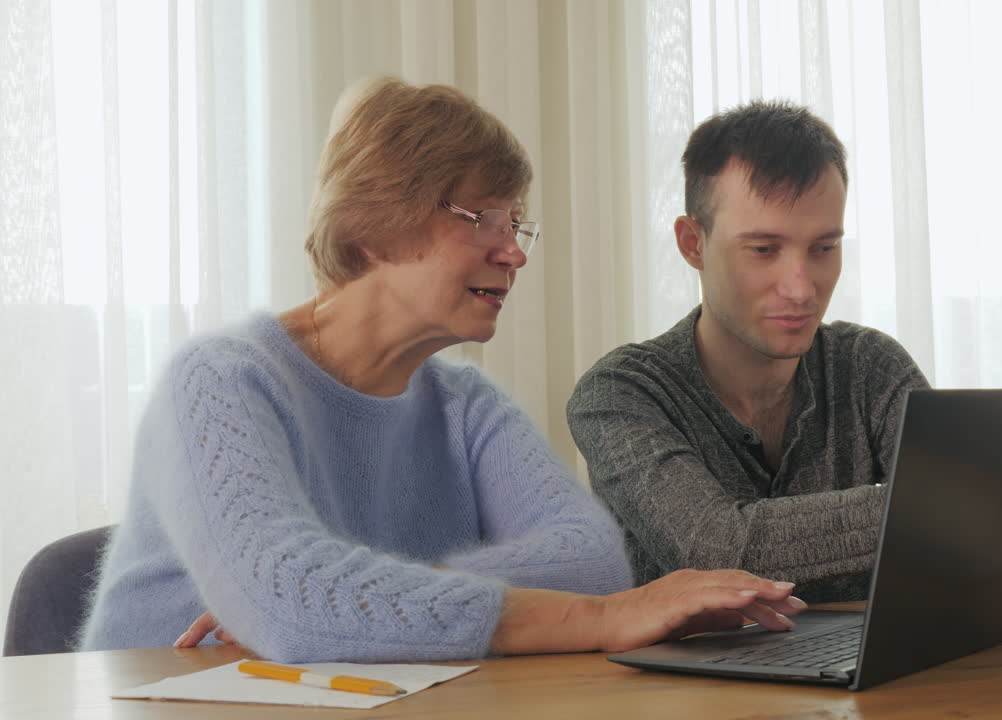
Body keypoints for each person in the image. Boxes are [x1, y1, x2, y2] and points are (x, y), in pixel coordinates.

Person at [79, 79, 805, 664]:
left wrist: (369, 602)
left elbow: (590, 558)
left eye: (516, 225)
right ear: (374, 220)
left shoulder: (464, 403)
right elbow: (284, 598)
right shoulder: (220, 383)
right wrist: (599, 620)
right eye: (485, 218)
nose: (515, 252)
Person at [567, 101, 1002, 603]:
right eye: (763, 249)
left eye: (823, 247)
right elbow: (723, 551)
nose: (802, 286)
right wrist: (1000, 469)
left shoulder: (871, 367)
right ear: (692, 242)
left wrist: (983, 486)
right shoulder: (619, 394)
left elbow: (964, 549)